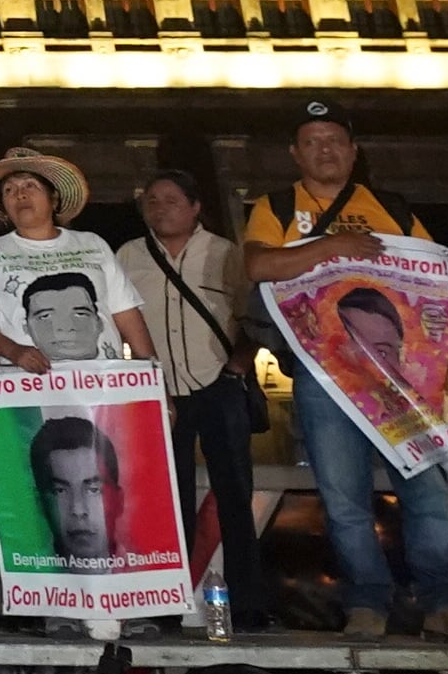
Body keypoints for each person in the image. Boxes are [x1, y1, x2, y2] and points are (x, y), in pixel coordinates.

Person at [242, 98, 448, 644]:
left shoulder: (393, 208)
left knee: (427, 491)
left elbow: (436, 290)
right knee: (343, 499)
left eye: (334, 140)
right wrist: (333, 246)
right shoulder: (277, 206)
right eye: (312, 141)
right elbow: (258, 265)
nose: (325, 149)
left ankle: (445, 602)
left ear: (353, 152)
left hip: (402, 377)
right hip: (323, 376)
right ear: (294, 154)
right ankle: (367, 603)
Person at [115, 168, 264, 633]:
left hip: (218, 384)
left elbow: (256, 316)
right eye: (152, 202)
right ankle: (164, 604)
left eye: (172, 200)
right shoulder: (127, 257)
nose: (160, 208)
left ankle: (251, 605)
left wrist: (237, 367)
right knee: (165, 500)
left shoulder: (226, 254)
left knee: (235, 496)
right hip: (158, 390)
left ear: (196, 206)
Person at [0, 147, 155, 371]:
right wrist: (14, 351)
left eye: (30, 185)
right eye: (9, 190)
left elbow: (127, 315)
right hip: (29, 387)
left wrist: (157, 384)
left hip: (104, 385)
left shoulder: (92, 244)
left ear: (54, 197)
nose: (19, 194)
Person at [27, 417, 122, 561]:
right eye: (60, 491)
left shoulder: (151, 570)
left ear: (119, 501)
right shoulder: (28, 571)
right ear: (40, 504)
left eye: (93, 490)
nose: (78, 510)